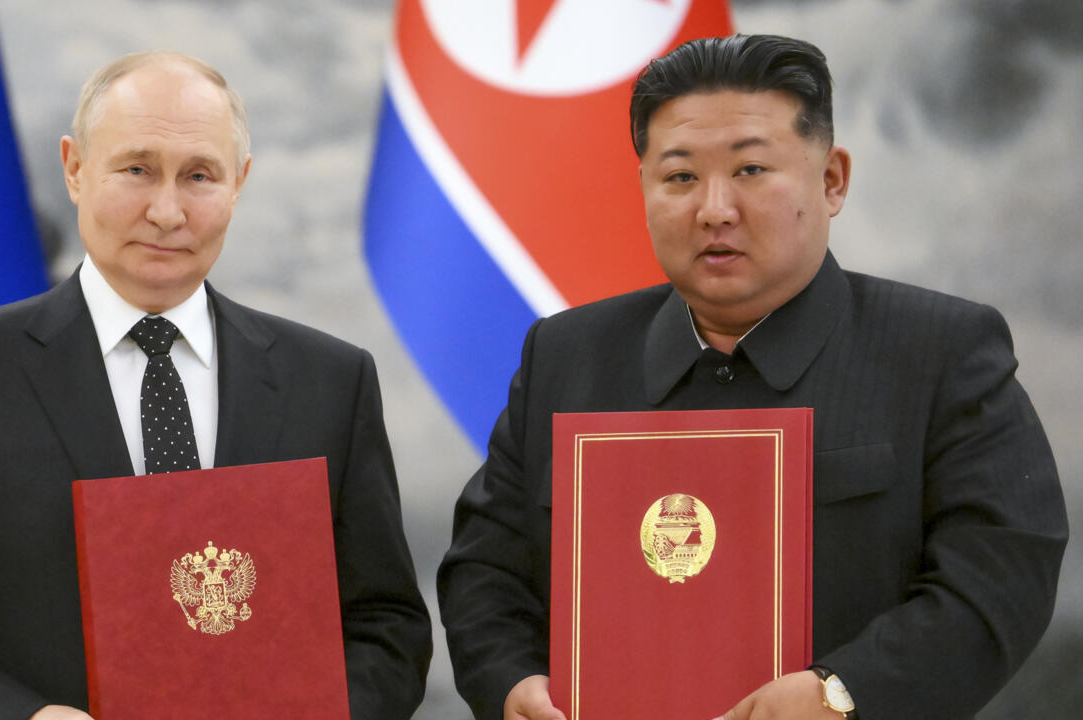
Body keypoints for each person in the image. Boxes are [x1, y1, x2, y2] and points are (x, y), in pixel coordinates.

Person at [436, 34, 1067, 720]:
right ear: (644, 188)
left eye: (751, 170)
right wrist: (510, 682)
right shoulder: (565, 354)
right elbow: (485, 569)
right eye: (680, 177)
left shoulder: (941, 351)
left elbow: (1000, 572)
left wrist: (844, 692)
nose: (714, 208)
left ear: (832, 181)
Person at [0, 51, 431, 720]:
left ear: (239, 184)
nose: (167, 211)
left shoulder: (331, 382)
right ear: (75, 168)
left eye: (199, 176)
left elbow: (387, 627)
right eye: (137, 169)